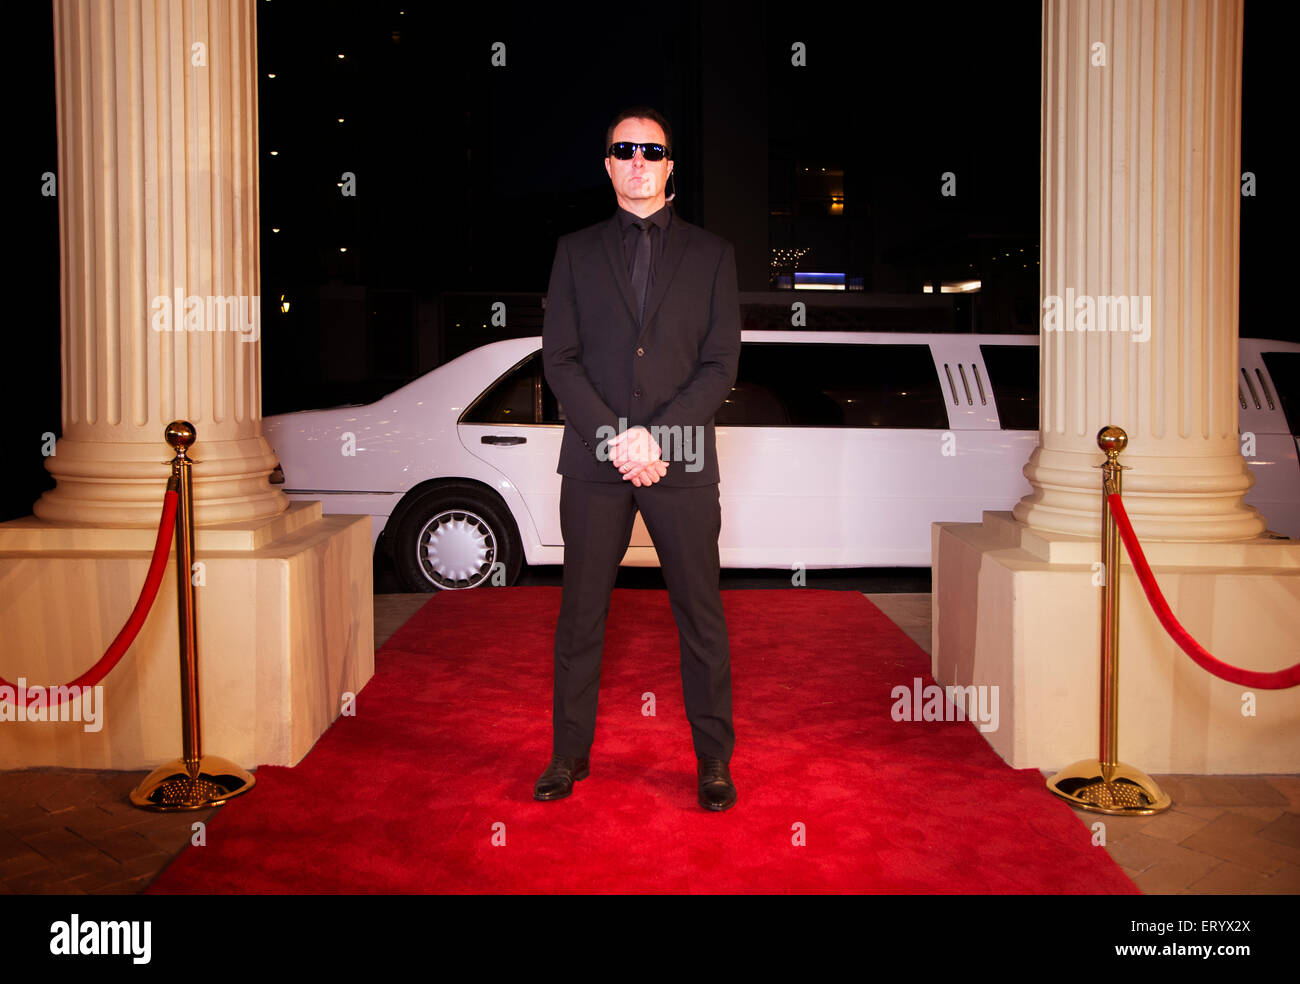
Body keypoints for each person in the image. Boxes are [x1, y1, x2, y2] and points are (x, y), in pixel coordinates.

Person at [535, 106, 741, 811]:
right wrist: (618, 439)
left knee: (700, 613)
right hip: (596, 462)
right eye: (623, 150)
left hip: (679, 456)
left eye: (650, 150)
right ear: (607, 165)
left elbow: (719, 365)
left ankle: (713, 758)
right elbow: (559, 359)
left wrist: (654, 436)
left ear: (669, 164)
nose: (637, 161)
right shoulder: (574, 250)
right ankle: (568, 754)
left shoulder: (713, 255)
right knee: (580, 614)